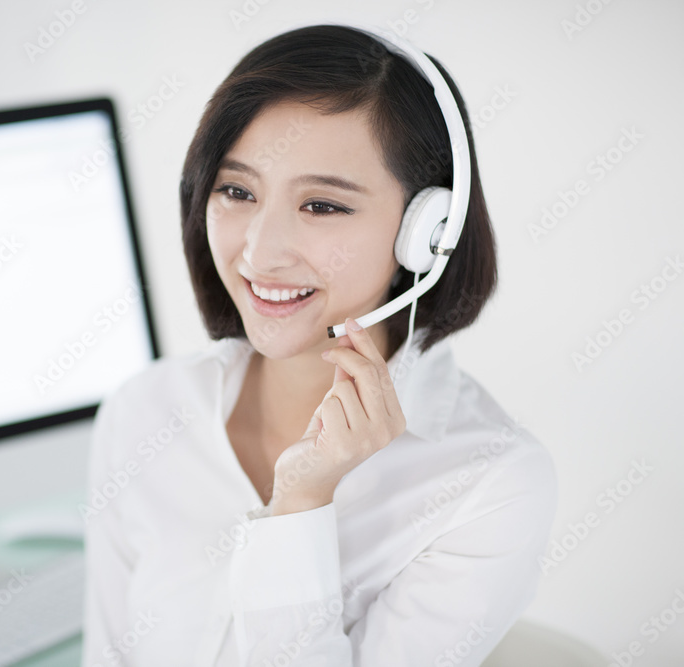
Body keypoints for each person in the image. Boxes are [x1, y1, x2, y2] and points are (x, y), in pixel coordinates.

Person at [81, 23, 557, 667]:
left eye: (323, 206)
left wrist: (302, 504)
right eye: (237, 191)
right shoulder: (144, 410)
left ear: (427, 232)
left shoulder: (489, 483)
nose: (260, 252)